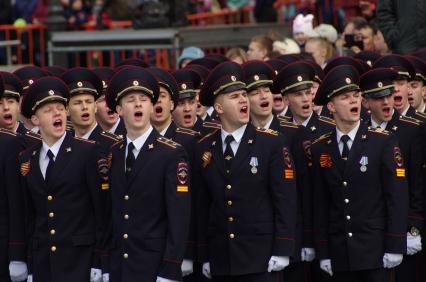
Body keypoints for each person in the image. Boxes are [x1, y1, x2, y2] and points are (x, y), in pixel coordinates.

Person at [195, 61, 297, 281]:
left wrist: (283, 248)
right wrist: (203, 254)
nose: (243, 100)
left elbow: (285, 199)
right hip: (222, 256)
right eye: (234, 97)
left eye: (243, 95)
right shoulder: (205, 146)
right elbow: (203, 206)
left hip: (261, 257)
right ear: (219, 108)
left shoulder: (271, 143)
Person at [311, 64, 409, 282]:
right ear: (331, 106)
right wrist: (324, 251)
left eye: (356, 95)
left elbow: (396, 196)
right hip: (340, 251)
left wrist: (395, 244)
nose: (354, 101)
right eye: (345, 97)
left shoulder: (382, 141)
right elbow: (321, 203)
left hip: (375, 251)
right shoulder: (320, 147)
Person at [17, 76, 109, 282]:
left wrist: (99, 261)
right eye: (48, 110)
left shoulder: (88, 152)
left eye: (60, 107)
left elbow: (101, 212)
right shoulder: (27, 158)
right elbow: (31, 217)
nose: (56, 113)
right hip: (44, 263)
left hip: (81, 260)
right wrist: (30, 265)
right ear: (35, 119)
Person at [105, 66, 191, 282]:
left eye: (143, 99)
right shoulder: (114, 152)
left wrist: (171, 268)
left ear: (152, 107)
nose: (137, 104)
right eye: (130, 99)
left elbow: (178, 218)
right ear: (119, 109)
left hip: (155, 267)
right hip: (121, 267)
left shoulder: (171, 153)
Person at [244, 60, 313, 282]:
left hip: (291, 239)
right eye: (255, 92)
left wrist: (305, 240)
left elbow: (304, 193)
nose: (264, 97)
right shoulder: (240, 137)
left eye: (266, 90)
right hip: (253, 242)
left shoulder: (293, 134)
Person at [361, 67, 424, 282]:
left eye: (388, 95)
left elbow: (417, 183)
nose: (386, 102)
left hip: (405, 229)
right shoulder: (360, 131)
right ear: (366, 103)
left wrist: (414, 228)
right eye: (379, 98)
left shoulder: (413, 129)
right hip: (372, 231)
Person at [61, 67, 121, 156]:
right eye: (78, 103)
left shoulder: (114, 145)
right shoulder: (62, 143)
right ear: (67, 110)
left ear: (95, 106)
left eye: (89, 102)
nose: (85, 107)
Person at [93, 67, 127, 137]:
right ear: (93, 105)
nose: (109, 103)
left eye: (112, 98)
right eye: (103, 100)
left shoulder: (132, 132)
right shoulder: (88, 136)